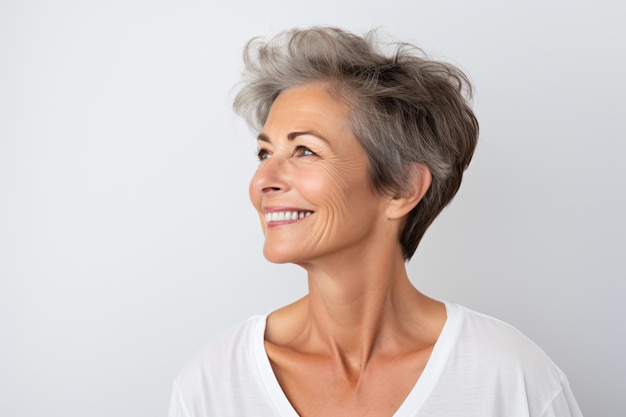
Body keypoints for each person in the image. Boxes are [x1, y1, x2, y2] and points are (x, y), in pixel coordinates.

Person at [168, 26, 583, 417]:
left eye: (305, 151)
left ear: (402, 187)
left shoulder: (509, 379)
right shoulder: (215, 383)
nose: (262, 182)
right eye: (264, 154)